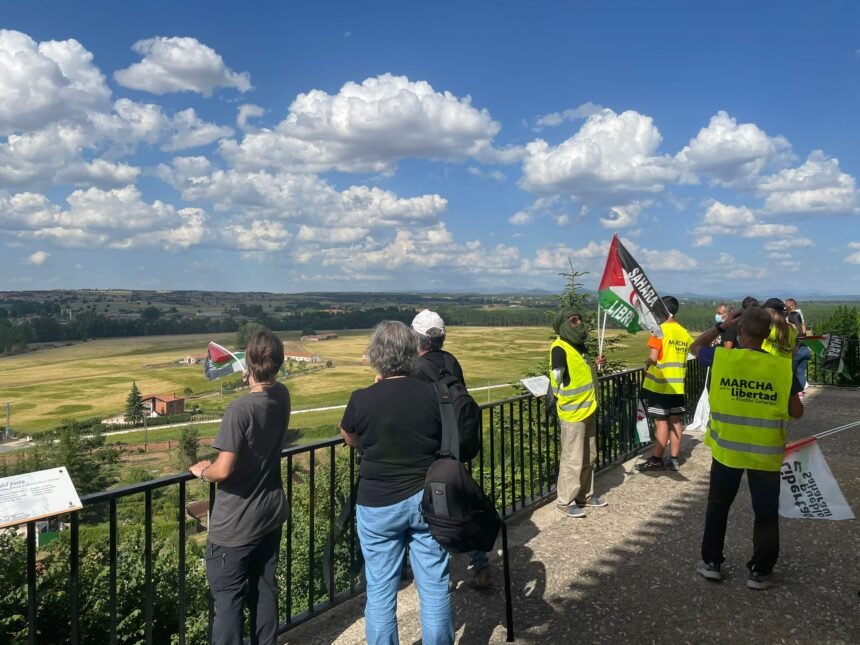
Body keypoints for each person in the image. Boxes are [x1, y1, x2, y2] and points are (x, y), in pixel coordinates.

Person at [339, 321, 454, 644]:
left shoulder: (362, 399)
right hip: (428, 499)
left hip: (377, 503)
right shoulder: (433, 393)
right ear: (411, 353)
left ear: (377, 356)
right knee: (433, 585)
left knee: (380, 592)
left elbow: (350, 437)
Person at [689, 307, 804, 589]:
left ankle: (712, 563)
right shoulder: (781, 368)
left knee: (718, 506)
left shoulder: (722, 358)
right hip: (765, 453)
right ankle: (760, 572)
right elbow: (797, 411)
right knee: (765, 513)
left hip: (727, 451)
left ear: (740, 332)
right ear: (766, 336)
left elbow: (695, 347)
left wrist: (720, 327)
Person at [189, 329, 290, 645]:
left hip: (236, 524)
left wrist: (203, 471)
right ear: (278, 363)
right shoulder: (282, 395)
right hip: (270, 513)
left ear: (249, 363)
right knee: (264, 588)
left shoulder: (239, 410)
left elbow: (223, 469)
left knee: (229, 601)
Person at [411, 309, 491, 590]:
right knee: (458, 504)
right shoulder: (450, 361)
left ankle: (436, 576)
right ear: (441, 337)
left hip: (430, 450)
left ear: (417, 338)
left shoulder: (415, 369)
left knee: (433, 511)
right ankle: (480, 563)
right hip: (455, 446)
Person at [549, 307, 607, 518]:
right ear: (564, 324)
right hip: (572, 412)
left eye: (579, 319)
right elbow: (556, 377)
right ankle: (565, 501)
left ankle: (585, 496)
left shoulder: (579, 347)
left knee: (589, 456)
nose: (578, 323)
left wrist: (596, 365)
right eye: (573, 320)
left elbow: (581, 372)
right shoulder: (560, 348)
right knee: (573, 458)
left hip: (588, 408)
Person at [637, 296, 694, 472]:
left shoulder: (659, 331)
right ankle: (674, 458)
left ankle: (656, 459)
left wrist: (645, 365)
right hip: (678, 385)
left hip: (660, 385)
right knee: (676, 421)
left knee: (661, 422)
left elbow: (652, 358)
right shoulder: (684, 332)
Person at [786, 298, 811, 394]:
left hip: (795, 351)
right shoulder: (800, 322)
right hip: (804, 349)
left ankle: (795, 393)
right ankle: (801, 392)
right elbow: (803, 329)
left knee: (792, 372)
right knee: (801, 372)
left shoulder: (791, 328)